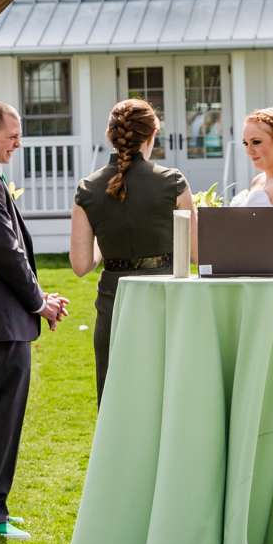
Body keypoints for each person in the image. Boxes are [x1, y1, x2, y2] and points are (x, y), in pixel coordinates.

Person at [0, 101, 65, 539]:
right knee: (0, 415)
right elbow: (5, 252)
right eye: (12, 135)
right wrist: (39, 301)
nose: (18, 143)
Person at [69, 97, 192, 398]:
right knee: (166, 395)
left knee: (116, 398)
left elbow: (81, 265)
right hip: (166, 299)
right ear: (153, 134)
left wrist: (107, 241)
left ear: (110, 135)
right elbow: (198, 253)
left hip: (115, 301)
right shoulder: (173, 182)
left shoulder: (88, 188)